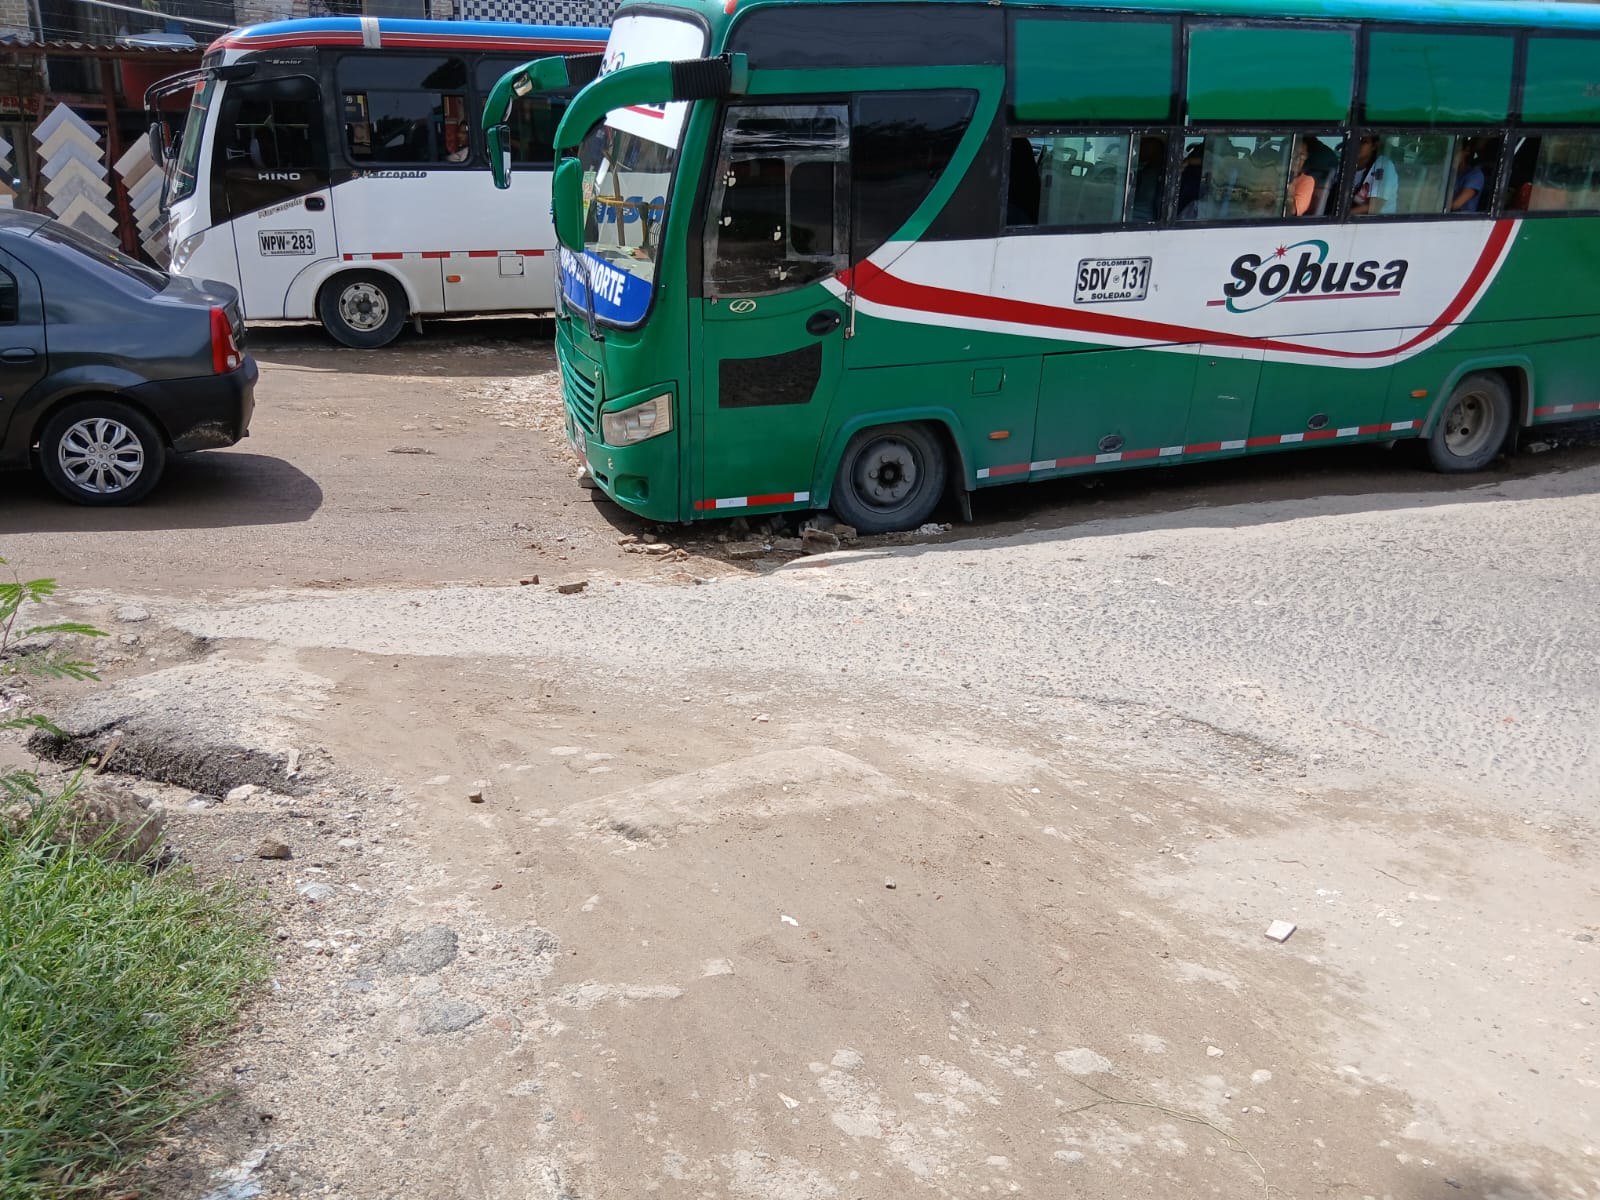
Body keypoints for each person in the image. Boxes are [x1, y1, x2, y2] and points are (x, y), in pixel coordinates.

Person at [1349, 134, 1398, 216]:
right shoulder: (1347, 165)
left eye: (1364, 142)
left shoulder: (1383, 165)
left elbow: (1373, 207)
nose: (1357, 145)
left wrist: (1340, 216)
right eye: (1355, 141)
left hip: (1376, 223)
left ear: (1374, 146)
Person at [1130, 135, 1166, 221]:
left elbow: (1143, 198)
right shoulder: (1150, 169)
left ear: (1152, 150)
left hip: (1140, 216)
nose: (1138, 149)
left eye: (1142, 145)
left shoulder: (1152, 173)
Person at [1449, 138, 1484, 212]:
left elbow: (1456, 204)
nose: (1450, 156)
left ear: (1466, 151)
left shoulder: (1475, 175)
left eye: (1455, 152)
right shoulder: (1448, 172)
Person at [1286, 138, 1315, 216]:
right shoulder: (1271, 172)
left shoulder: (1307, 181)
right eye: (1294, 155)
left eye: (1302, 155)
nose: (1298, 160)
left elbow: (1293, 211)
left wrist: (1290, 178)